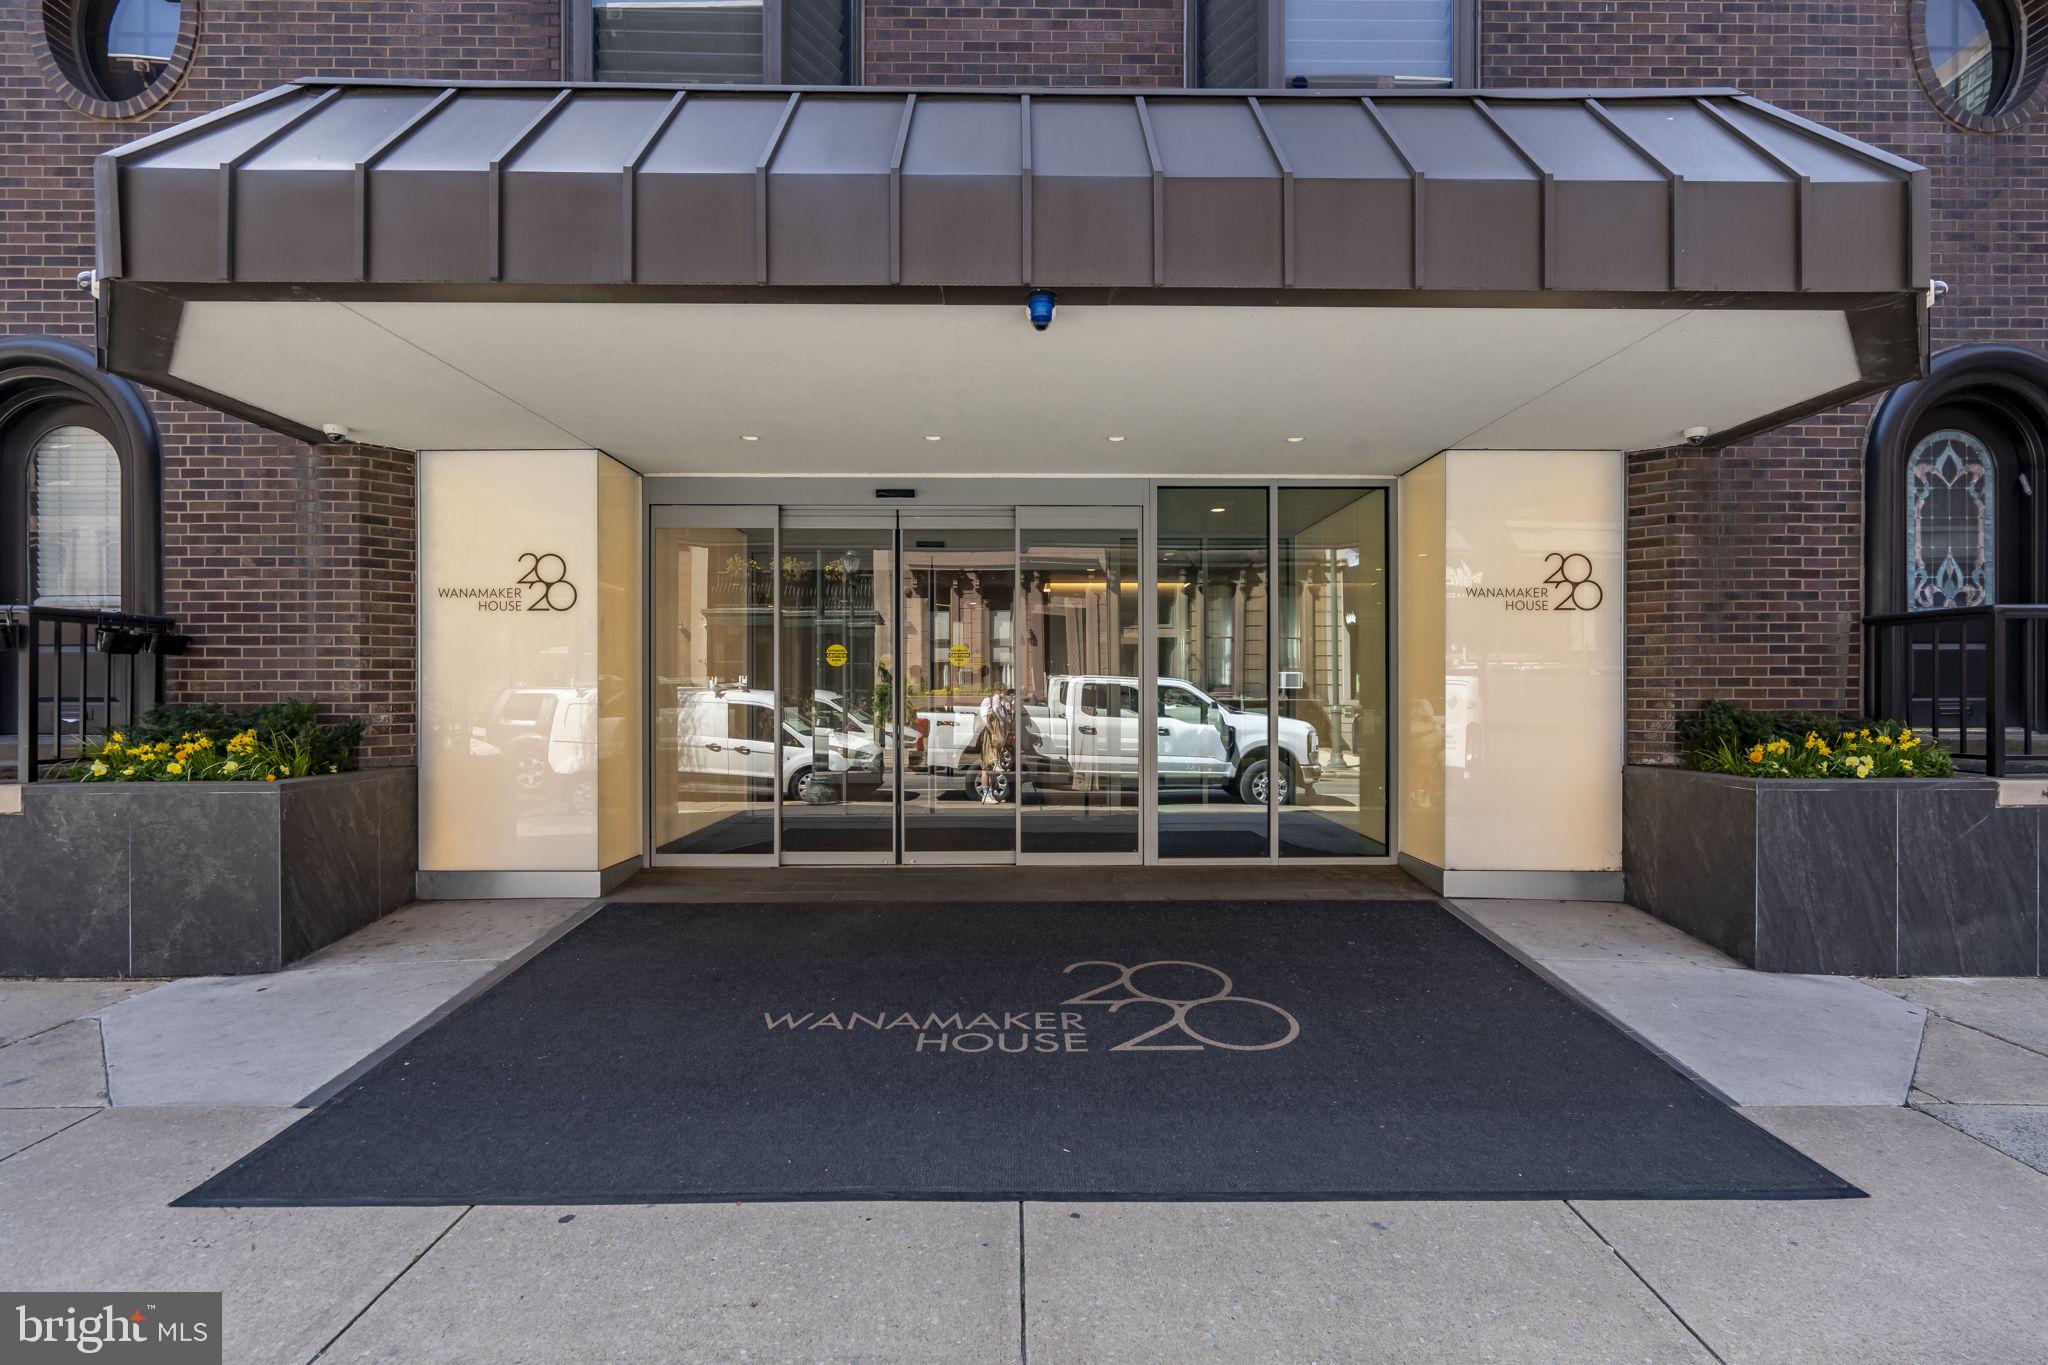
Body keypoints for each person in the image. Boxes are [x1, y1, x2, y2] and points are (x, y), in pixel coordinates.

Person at [975, 685, 1014, 804]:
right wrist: (992, 732)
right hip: (990, 735)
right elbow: (985, 718)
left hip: (997, 735)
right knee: (987, 765)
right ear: (995, 691)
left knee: (993, 766)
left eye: (1004, 692)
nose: (1002, 694)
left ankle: (992, 794)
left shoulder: (1000, 704)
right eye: (1001, 691)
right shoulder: (988, 701)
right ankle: (986, 795)